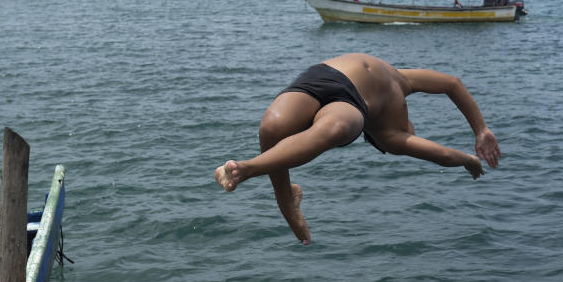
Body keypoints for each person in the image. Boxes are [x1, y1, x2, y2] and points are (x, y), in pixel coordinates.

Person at [214, 53, 500, 244]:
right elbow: (452, 84)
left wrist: (468, 160)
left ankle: (248, 169)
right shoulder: (403, 80)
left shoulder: (389, 135)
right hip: (323, 75)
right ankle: (287, 200)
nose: (414, 128)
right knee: (270, 128)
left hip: (351, 103)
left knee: (334, 128)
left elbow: (441, 155)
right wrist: (481, 130)